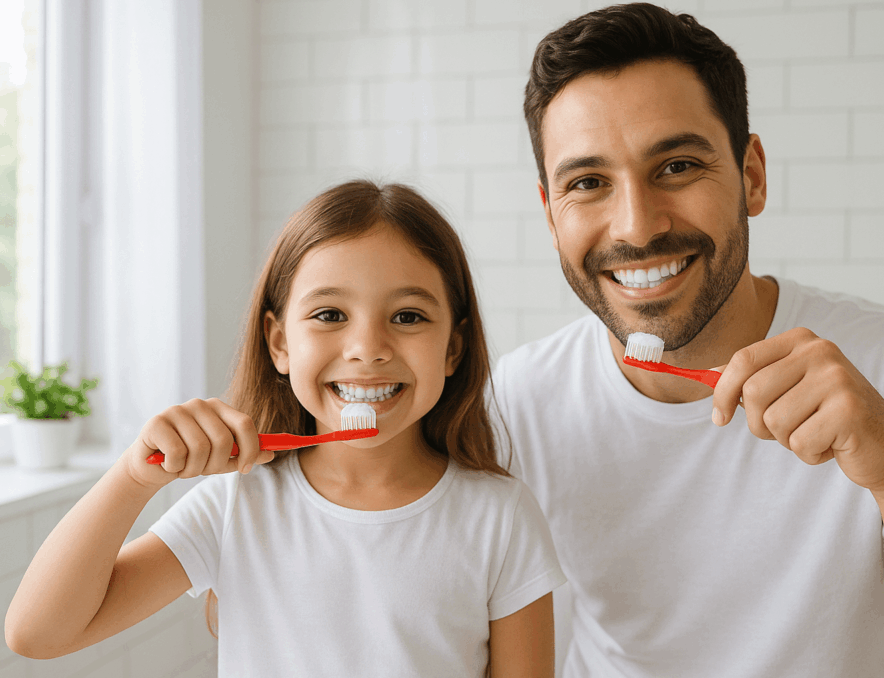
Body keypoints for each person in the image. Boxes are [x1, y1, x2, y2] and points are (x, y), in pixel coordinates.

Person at [491, 3, 884, 678]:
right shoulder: (520, 397)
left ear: (752, 175)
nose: (637, 225)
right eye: (588, 183)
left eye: (677, 166)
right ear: (549, 213)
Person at [5, 180, 566, 677]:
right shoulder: (235, 505)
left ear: (454, 348)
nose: (367, 348)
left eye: (408, 316)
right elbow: (37, 634)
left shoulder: (500, 516)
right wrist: (134, 477)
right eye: (329, 315)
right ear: (279, 344)